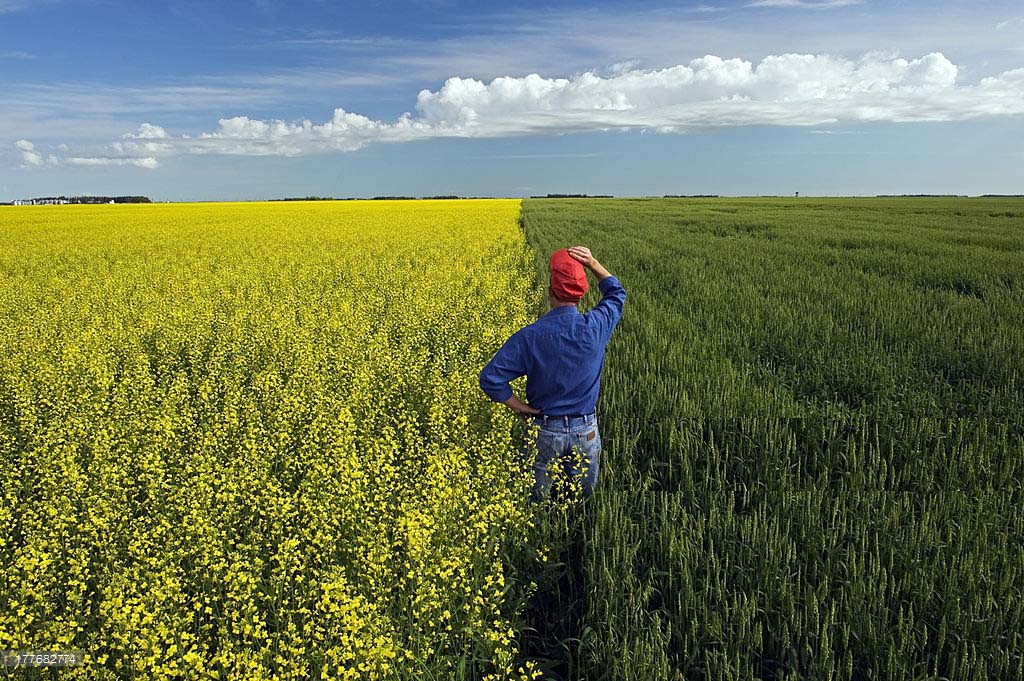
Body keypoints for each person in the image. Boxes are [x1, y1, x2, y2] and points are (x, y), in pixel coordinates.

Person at [478, 246, 626, 502]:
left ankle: (540, 533)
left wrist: (518, 406)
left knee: (536, 500)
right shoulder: (596, 326)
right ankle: (575, 535)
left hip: (544, 429)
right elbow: (616, 294)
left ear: (550, 292)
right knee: (580, 499)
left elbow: (490, 378)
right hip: (586, 430)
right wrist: (592, 263)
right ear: (581, 294)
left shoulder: (530, 336)